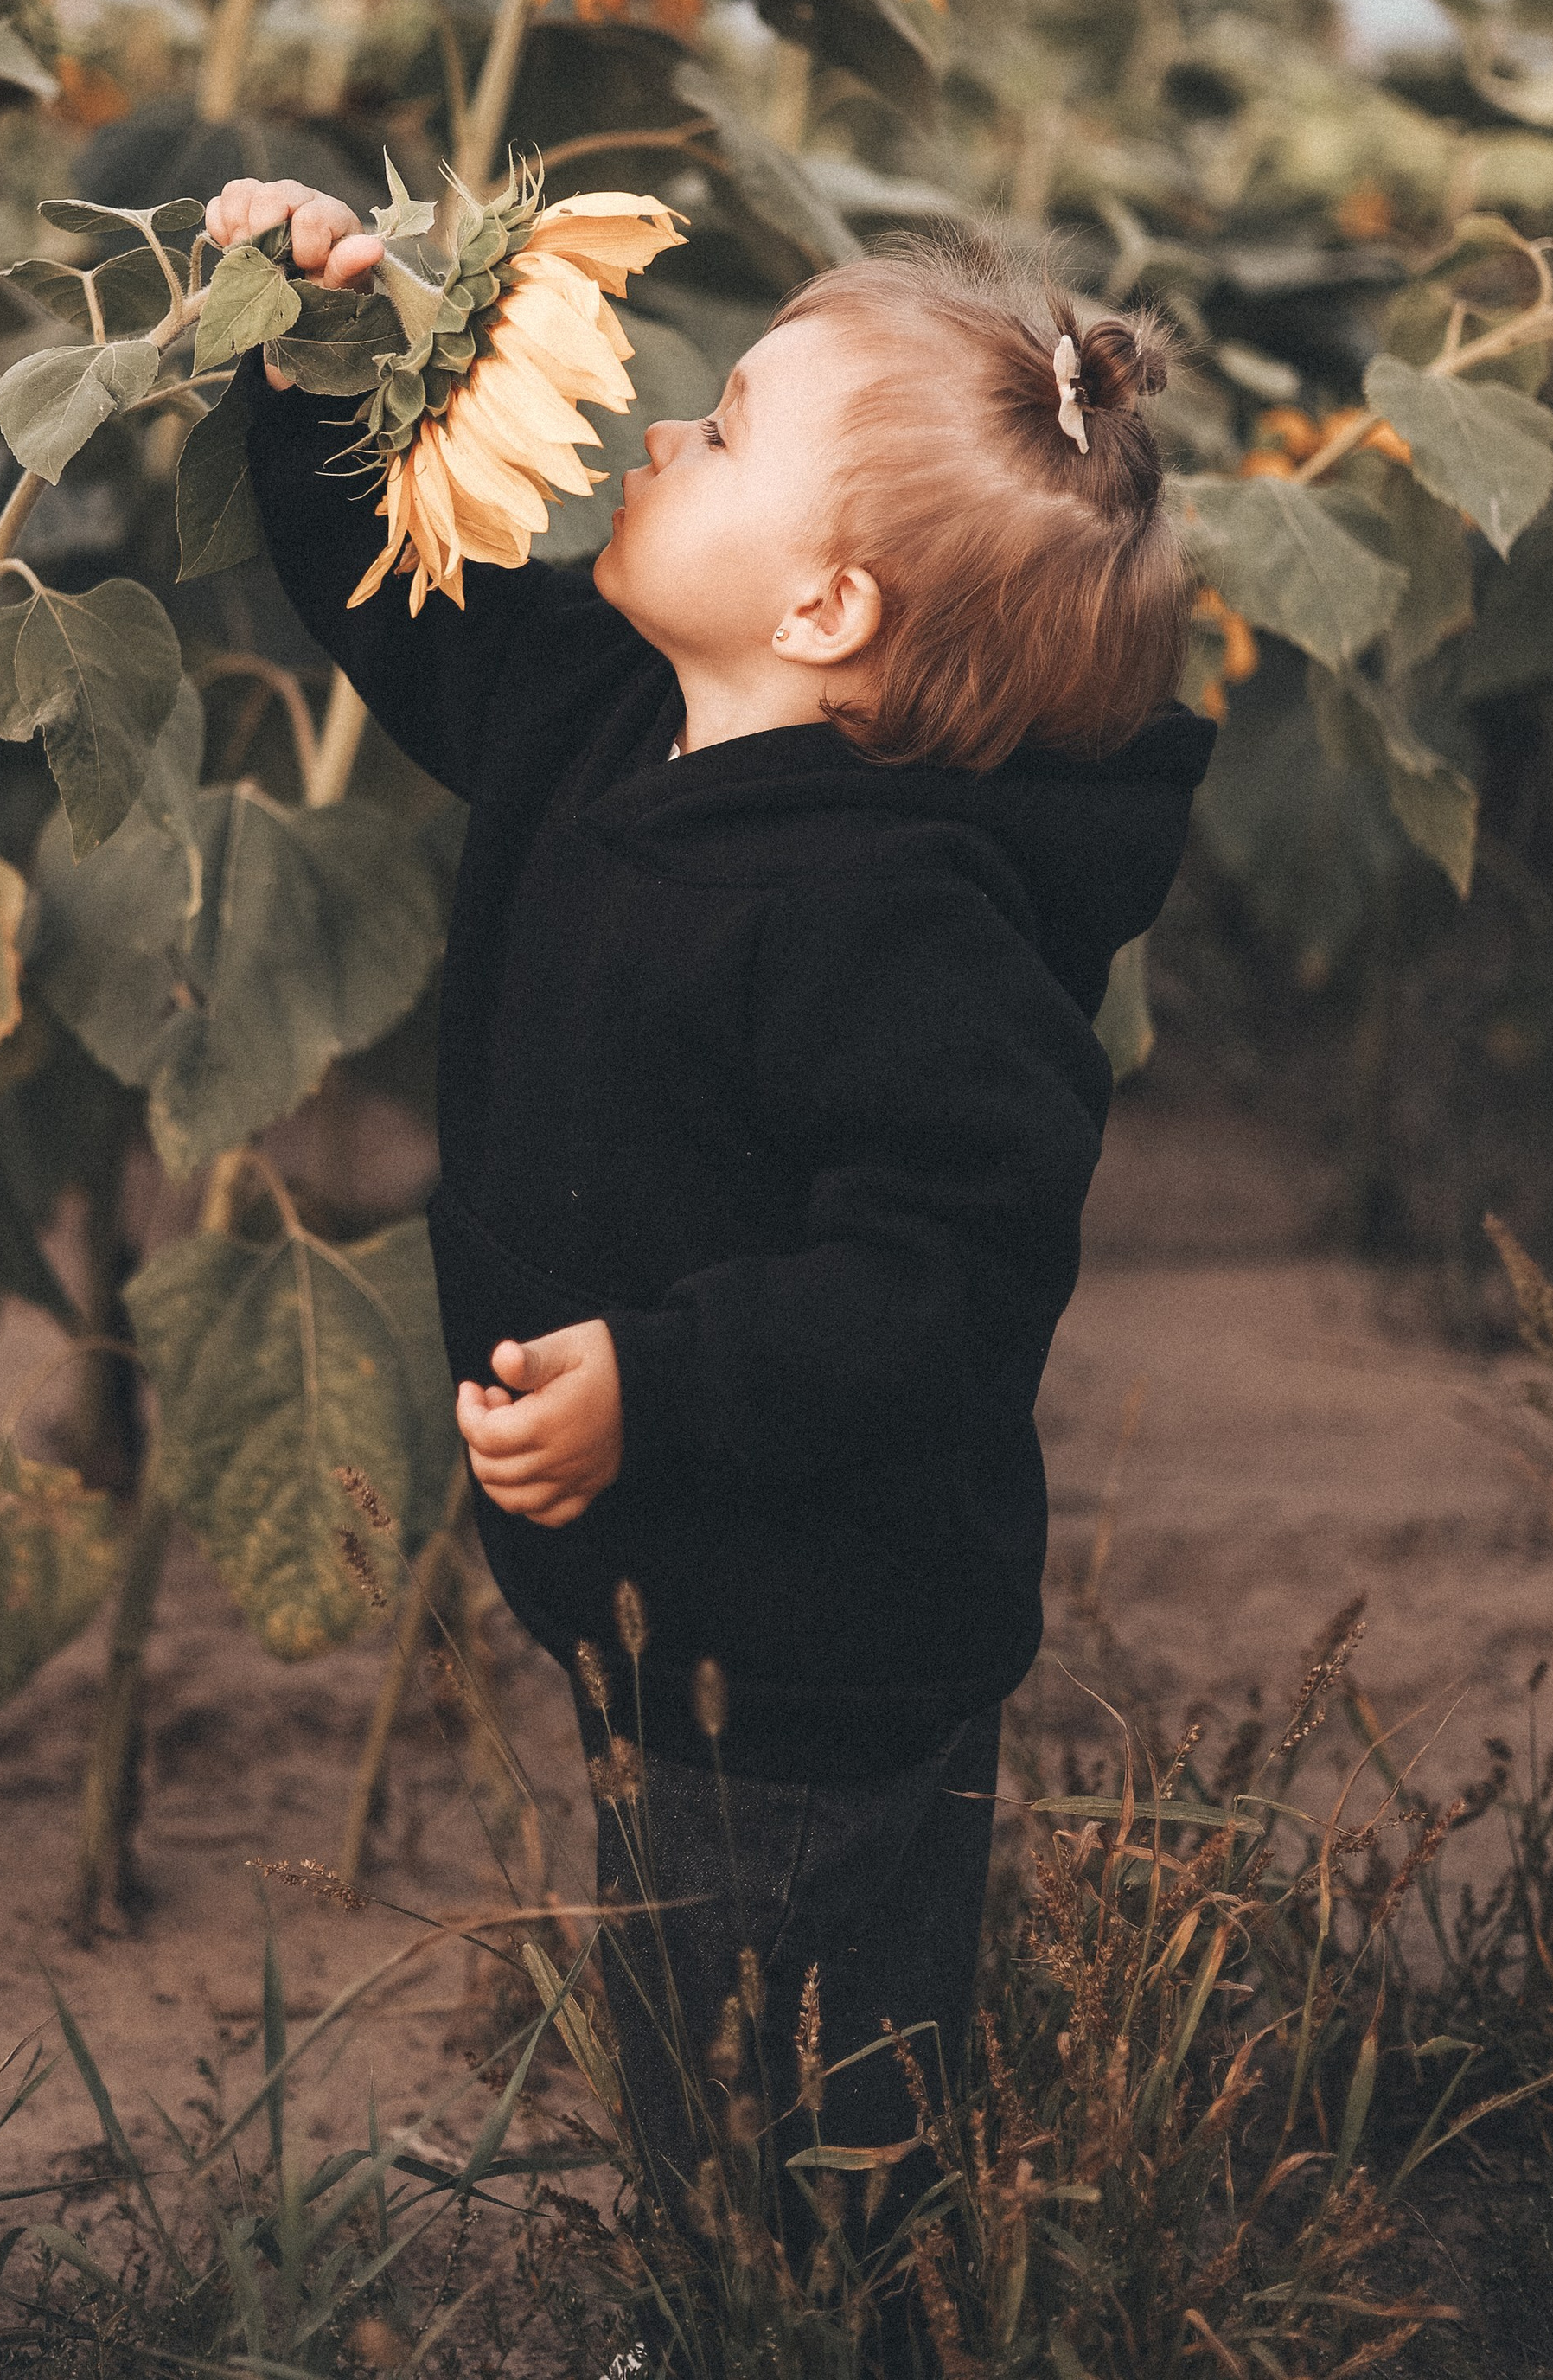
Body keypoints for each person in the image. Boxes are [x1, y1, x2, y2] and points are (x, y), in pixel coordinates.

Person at [202, 174, 1213, 2232]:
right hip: (664, 1605)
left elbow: (943, 1277)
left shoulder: (905, 924)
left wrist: (655, 1387)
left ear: (827, 609)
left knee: (800, 2112)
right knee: (699, 2020)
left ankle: (799, 2309)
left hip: (825, 1643)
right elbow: (387, 587)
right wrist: (312, 337)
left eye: (725, 425)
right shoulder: (598, 714)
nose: (660, 430)